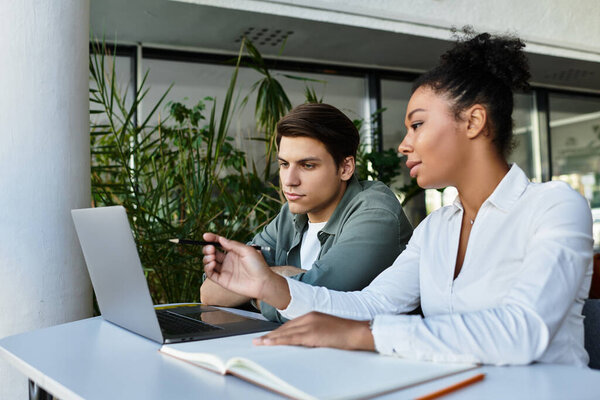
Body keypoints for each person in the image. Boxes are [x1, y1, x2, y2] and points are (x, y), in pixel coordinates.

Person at [201, 31, 594, 366]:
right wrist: (270, 286)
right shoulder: (436, 229)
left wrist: (363, 336)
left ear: (473, 122)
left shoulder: (553, 206)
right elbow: (371, 305)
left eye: (417, 124)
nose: (405, 145)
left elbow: (522, 330)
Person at [200, 102, 413, 322]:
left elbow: (315, 305)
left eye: (307, 165)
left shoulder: (375, 213)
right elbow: (211, 291)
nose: (289, 181)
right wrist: (279, 278)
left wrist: (262, 284)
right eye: (284, 164)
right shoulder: (290, 215)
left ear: (345, 168)